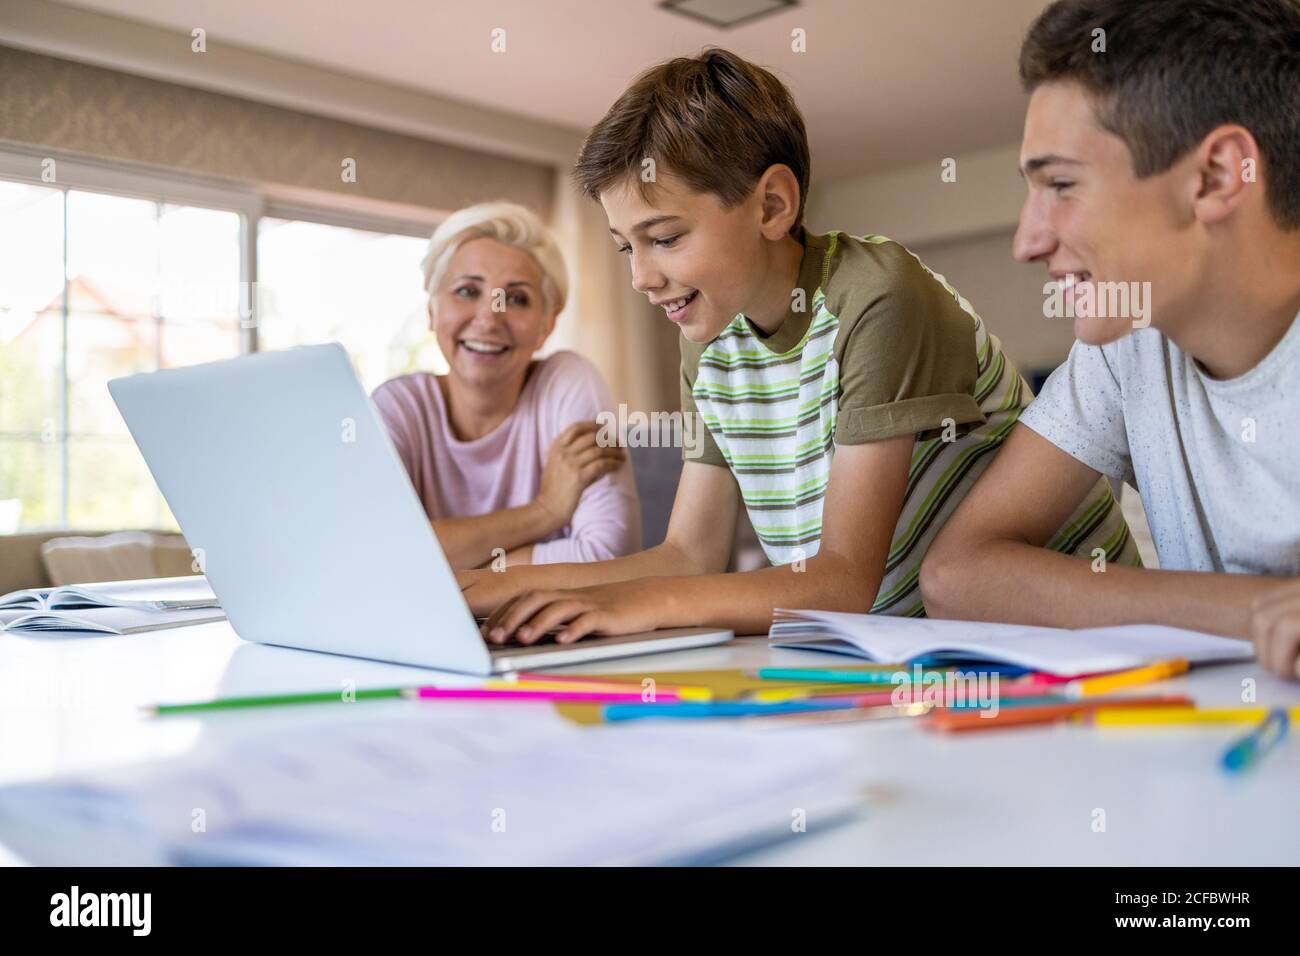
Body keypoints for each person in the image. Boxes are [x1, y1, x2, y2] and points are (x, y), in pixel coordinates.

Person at [372, 201, 641, 570]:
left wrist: (440, 568)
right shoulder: (397, 406)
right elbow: (376, 556)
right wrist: (544, 511)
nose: (488, 318)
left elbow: (608, 556)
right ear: (432, 311)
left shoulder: (567, 382)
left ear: (546, 325)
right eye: (467, 291)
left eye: (516, 299)